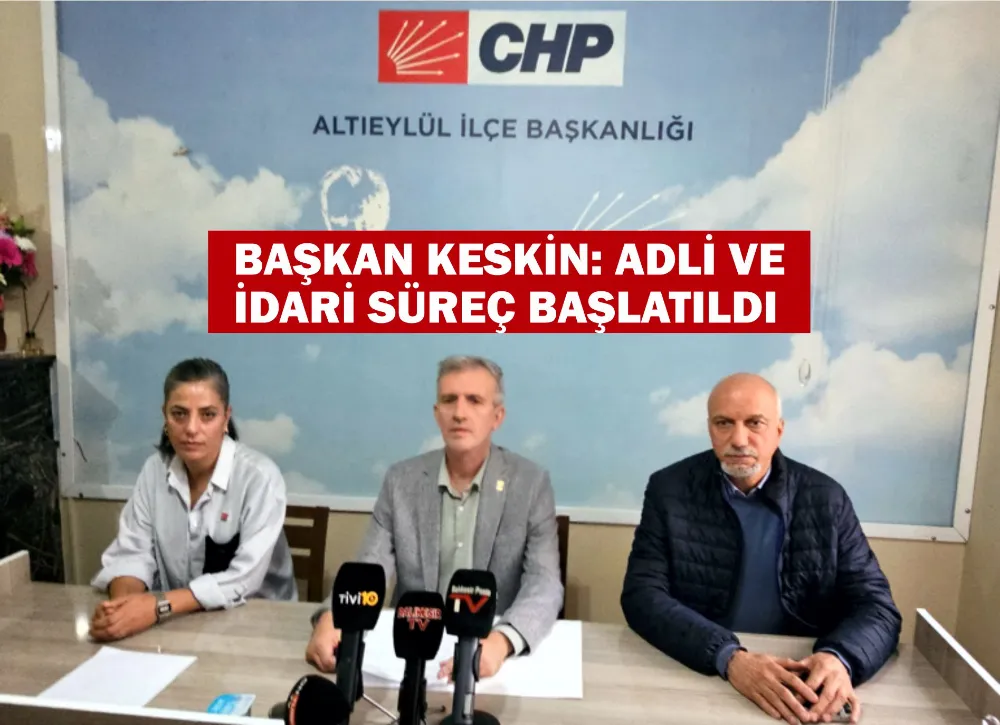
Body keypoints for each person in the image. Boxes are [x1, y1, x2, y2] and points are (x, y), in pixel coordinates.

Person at [621, 372, 901, 725]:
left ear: (779, 430)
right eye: (724, 423)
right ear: (710, 429)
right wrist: (728, 657)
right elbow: (642, 596)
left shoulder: (826, 498)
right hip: (703, 669)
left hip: (799, 679)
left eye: (754, 423)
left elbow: (878, 607)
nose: (739, 439)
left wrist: (838, 658)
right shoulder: (669, 489)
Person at [305, 355, 563, 681]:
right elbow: (369, 569)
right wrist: (332, 617)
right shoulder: (401, 481)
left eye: (474, 400)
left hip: (492, 649)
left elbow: (545, 584)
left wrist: (502, 642)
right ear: (437, 413)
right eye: (449, 400)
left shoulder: (530, 483)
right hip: (412, 647)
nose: (459, 412)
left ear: (497, 417)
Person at [89, 357, 297, 642]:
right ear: (165, 416)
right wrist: (123, 608)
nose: (191, 428)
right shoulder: (154, 471)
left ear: (226, 417)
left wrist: (157, 607)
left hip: (260, 629)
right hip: (181, 623)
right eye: (179, 414)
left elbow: (244, 579)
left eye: (207, 415)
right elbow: (132, 553)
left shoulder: (259, 478)